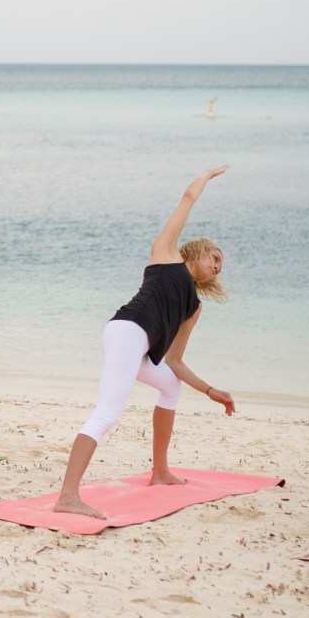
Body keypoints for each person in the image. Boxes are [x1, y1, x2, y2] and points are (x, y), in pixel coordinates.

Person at [54, 166, 235, 518]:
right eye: (215, 258)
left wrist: (210, 390)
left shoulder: (193, 307)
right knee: (107, 413)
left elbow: (175, 362)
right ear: (196, 252)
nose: (217, 267)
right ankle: (68, 496)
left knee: (169, 386)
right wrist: (205, 177)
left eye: (221, 266)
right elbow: (186, 200)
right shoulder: (166, 257)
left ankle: (160, 472)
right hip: (127, 331)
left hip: (137, 344)